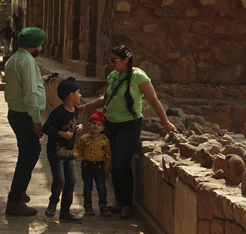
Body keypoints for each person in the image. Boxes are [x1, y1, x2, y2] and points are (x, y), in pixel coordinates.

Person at [83, 45, 177, 219]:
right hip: (110, 123)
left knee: (122, 164)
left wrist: (166, 123)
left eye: (114, 60)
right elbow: (106, 98)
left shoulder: (138, 76)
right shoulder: (113, 75)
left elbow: (153, 100)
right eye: (110, 60)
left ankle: (127, 204)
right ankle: (118, 201)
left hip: (129, 124)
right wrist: (85, 107)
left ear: (126, 60)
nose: (111, 63)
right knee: (112, 164)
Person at [3, 26, 59, 216]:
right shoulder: (27, 62)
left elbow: (23, 85)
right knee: (28, 156)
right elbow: (29, 94)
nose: (41, 49)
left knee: (28, 154)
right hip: (25, 115)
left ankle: (19, 191)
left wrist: (40, 80)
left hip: (16, 112)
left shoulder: (16, 58)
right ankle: (15, 199)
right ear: (34, 45)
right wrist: (37, 121)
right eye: (40, 45)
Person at [43, 77, 84, 221]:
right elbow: (47, 128)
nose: (80, 95)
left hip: (69, 153)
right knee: (60, 180)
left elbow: (74, 122)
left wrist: (80, 126)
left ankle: (65, 212)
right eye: (78, 92)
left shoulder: (75, 110)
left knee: (71, 181)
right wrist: (61, 133)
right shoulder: (58, 112)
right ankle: (53, 202)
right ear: (71, 95)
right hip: (56, 152)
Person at [75, 110, 112, 216]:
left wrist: (107, 167)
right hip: (87, 165)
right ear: (88, 124)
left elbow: (107, 155)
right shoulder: (84, 139)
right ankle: (88, 206)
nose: (96, 126)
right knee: (87, 186)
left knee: (101, 187)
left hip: (100, 166)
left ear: (102, 128)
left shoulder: (105, 140)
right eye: (93, 123)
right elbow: (79, 149)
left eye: (99, 124)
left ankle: (103, 206)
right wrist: (75, 155)